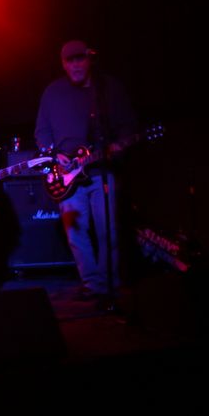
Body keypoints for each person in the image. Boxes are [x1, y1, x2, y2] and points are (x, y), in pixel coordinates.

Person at [34, 40, 137, 304]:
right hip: (67, 174)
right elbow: (42, 132)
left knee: (107, 230)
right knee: (76, 233)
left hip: (101, 170)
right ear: (63, 64)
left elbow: (128, 128)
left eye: (80, 59)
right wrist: (53, 154)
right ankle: (92, 283)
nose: (76, 65)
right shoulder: (52, 93)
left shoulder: (108, 89)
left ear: (90, 59)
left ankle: (109, 284)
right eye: (70, 61)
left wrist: (118, 147)